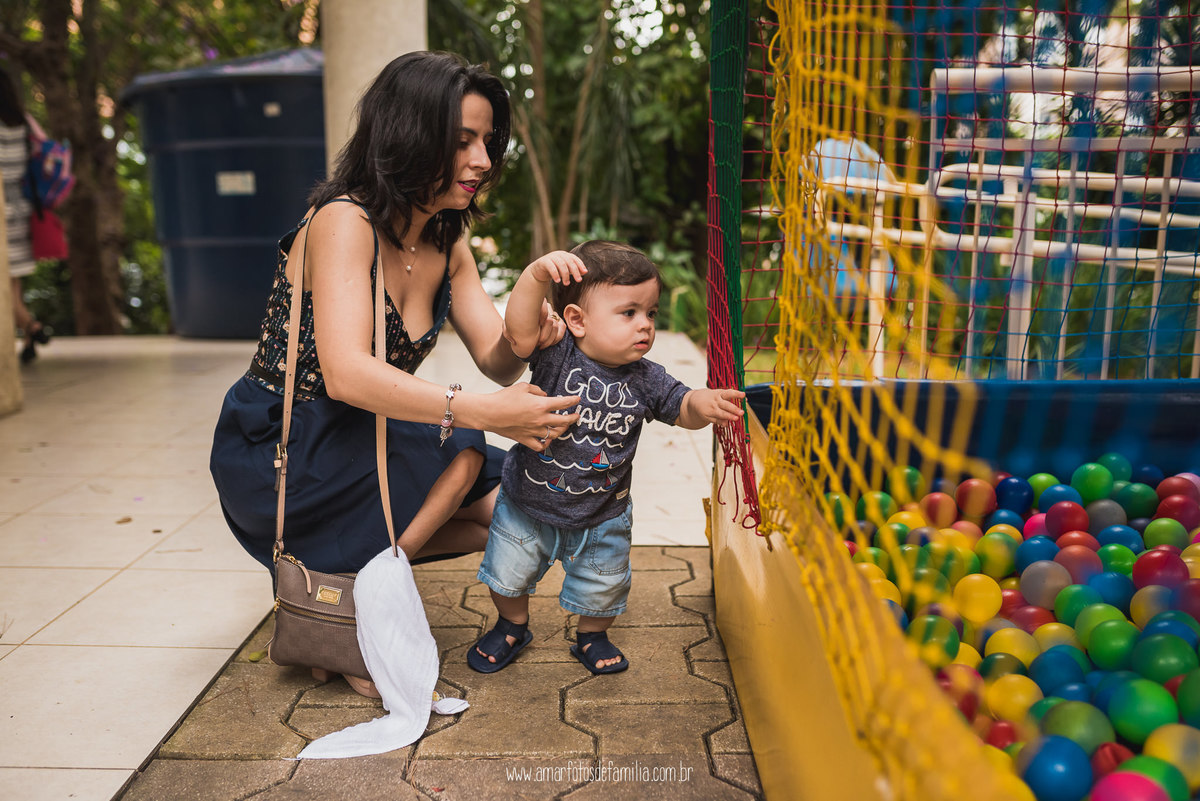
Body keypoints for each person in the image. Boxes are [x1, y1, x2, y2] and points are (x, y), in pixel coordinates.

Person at [209, 51, 580, 696]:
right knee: (464, 442)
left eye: (487, 142)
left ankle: (343, 591)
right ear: (408, 134)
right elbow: (346, 375)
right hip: (287, 441)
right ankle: (358, 613)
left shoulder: (445, 239)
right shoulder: (343, 221)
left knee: (513, 510)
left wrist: (531, 304)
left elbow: (499, 357)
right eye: (461, 141)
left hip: (368, 433)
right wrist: (484, 413)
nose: (483, 160)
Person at [468, 240, 745, 675]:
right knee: (507, 576)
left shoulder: (647, 379)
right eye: (629, 312)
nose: (645, 325)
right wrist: (536, 275)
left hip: (603, 515)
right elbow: (517, 330)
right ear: (577, 320)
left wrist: (702, 403)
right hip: (528, 504)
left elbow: (682, 407)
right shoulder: (556, 350)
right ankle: (511, 625)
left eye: (651, 313)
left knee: (603, 586)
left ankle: (592, 635)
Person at [0, 62, 50, 364]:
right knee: (12, 281)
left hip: (1, 209)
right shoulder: (23, 122)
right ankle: (29, 339)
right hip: (20, 208)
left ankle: (31, 326)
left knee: (4, 283)